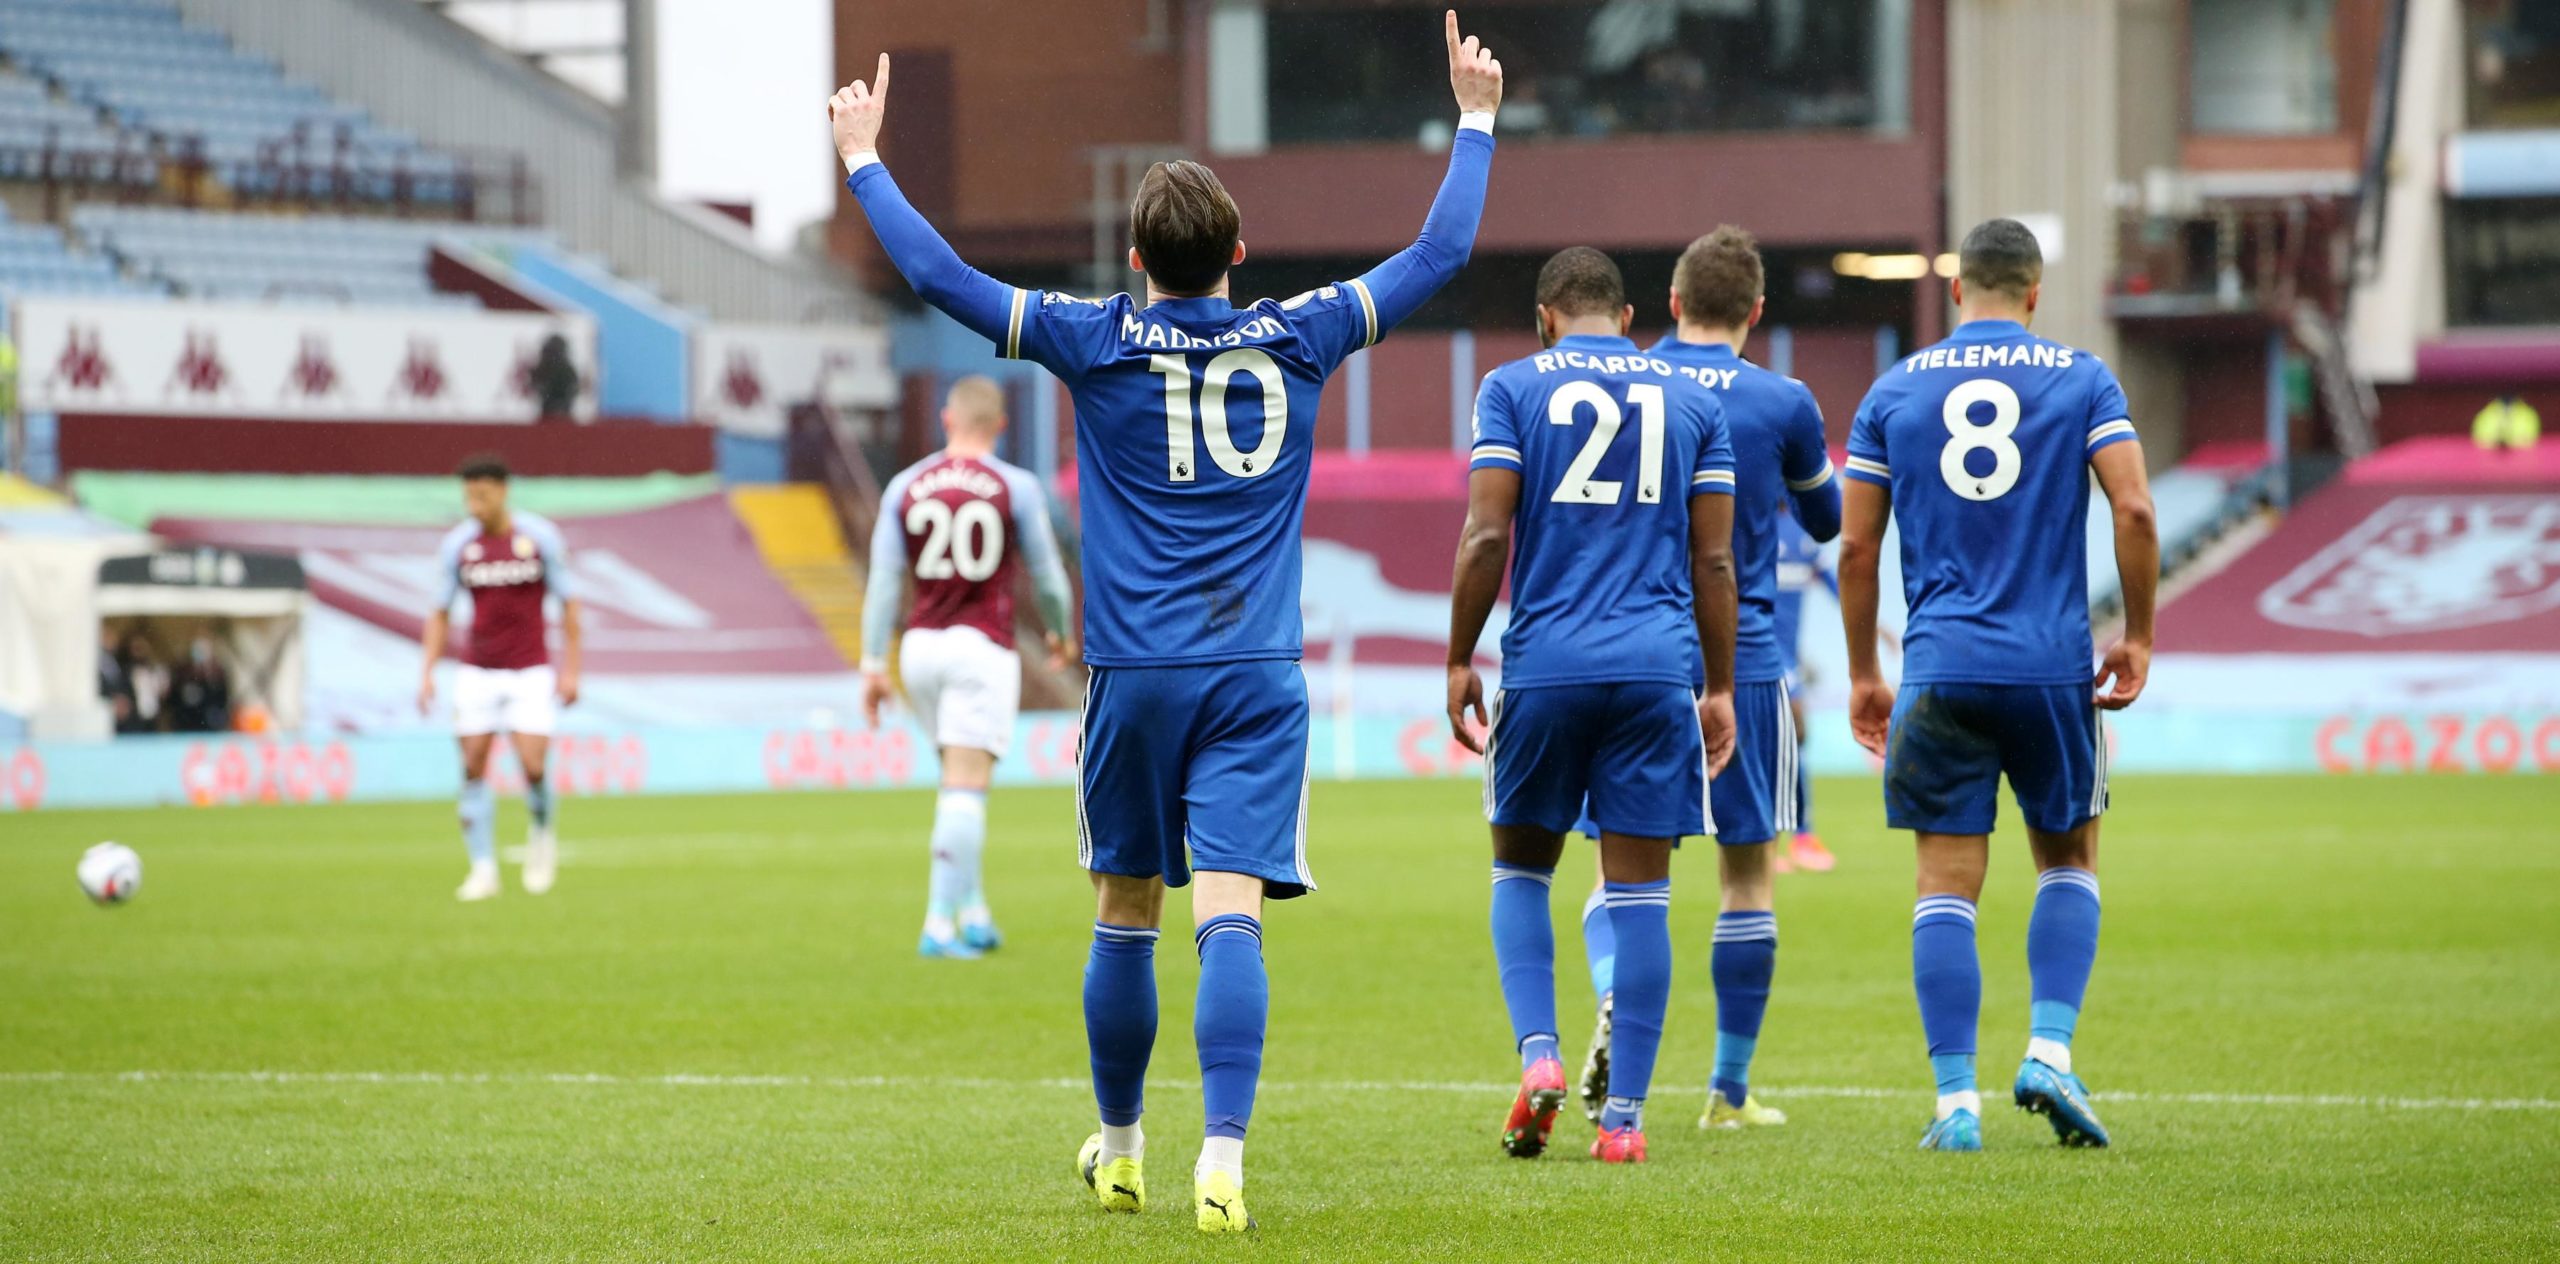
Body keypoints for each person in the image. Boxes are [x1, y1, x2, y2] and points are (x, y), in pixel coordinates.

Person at [833, 10, 1499, 1231]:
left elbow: (937, 279)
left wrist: (865, 158)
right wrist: (1473, 116)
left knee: (1124, 908)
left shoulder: (1096, 338)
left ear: (1135, 261)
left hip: (1134, 671)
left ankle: (1125, 1142)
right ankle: (1227, 1159)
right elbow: (1440, 251)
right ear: (1241, 249)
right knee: (1230, 909)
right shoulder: (1299, 334)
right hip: (1255, 668)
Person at [1839, 218, 2158, 1152]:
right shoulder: (2082, 377)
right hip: (2049, 664)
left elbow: (1857, 546)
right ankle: (2049, 1051)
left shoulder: (1893, 389)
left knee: (1944, 884)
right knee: (2068, 861)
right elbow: (2134, 505)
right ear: (2033, 293)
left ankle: (1954, 1106)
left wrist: (1866, 672)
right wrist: (2137, 634)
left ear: (1955, 293)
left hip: (1938, 667)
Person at [1446, 246, 1738, 1166]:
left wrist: (1459, 656)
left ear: (1545, 318)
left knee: (1521, 872)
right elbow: (1715, 562)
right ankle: (1624, 1123)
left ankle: (1540, 1060)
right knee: (1641, 894)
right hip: (1655, 671)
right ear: (1629, 316)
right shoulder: (1694, 401)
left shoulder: (1512, 388)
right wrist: (1720, 685)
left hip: (1546, 665)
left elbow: (1488, 530)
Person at [861, 375, 1076, 959]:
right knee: (966, 788)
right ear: (1000, 427)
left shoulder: (906, 485)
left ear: (946, 420)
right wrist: (1059, 632)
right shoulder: (1015, 486)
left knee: (954, 779)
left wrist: (872, 661)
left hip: (920, 649)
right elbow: (1048, 575)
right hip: (980, 648)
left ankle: (975, 909)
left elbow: (884, 580)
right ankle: (939, 924)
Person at [418, 454, 583, 902]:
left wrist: (570, 670)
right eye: (469, 494)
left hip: (530, 669)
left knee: (532, 765)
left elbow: (569, 606)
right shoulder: (458, 546)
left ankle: (542, 833)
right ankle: (483, 868)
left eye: (483, 494)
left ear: (504, 491)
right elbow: (439, 611)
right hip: (477, 670)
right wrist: (427, 673)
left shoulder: (540, 538)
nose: (475, 503)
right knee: (472, 764)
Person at [166, 633, 232, 733]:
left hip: (209, 723)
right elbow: (174, 698)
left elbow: (222, 698)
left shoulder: (217, 672)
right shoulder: (183, 672)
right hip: (187, 722)